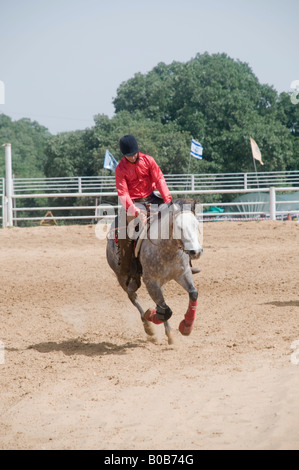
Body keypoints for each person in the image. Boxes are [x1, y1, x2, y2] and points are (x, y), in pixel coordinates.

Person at [115, 135, 172, 289]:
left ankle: (186, 261)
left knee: (176, 219)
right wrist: (134, 211)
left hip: (152, 197)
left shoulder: (149, 161)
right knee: (125, 233)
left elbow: (159, 179)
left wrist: (167, 201)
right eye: (128, 155)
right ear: (124, 155)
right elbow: (123, 193)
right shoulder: (120, 169)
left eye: (134, 153)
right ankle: (132, 273)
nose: (132, 157)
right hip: (133, 203)